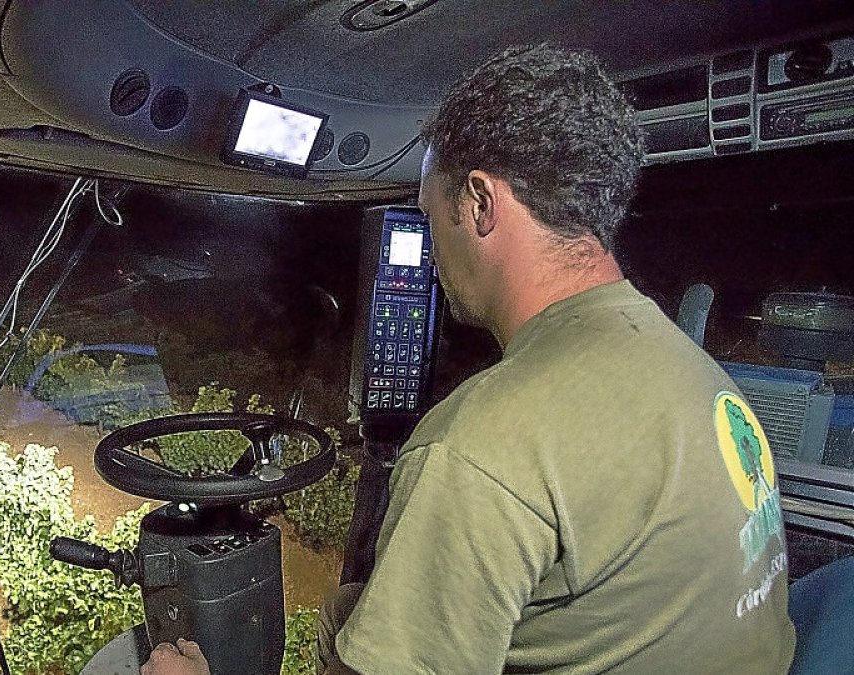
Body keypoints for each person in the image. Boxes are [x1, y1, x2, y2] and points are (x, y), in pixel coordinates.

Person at [144, 43, 795, 675]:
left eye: (430, 219)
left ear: (480, 204)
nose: (429, 251)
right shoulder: (691, 368)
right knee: (349, 612)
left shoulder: (481, 446)